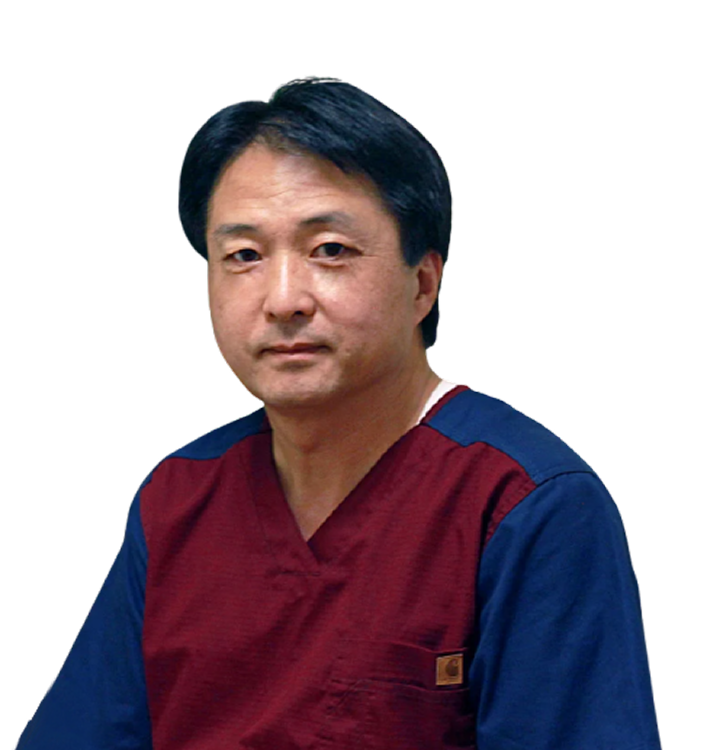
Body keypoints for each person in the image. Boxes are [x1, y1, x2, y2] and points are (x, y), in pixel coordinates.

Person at [15, 76, 661, 749]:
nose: (283, 299)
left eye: (329, 250)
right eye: (243, 256)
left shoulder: (525, 502)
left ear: (423, 283)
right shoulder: (179, 497)